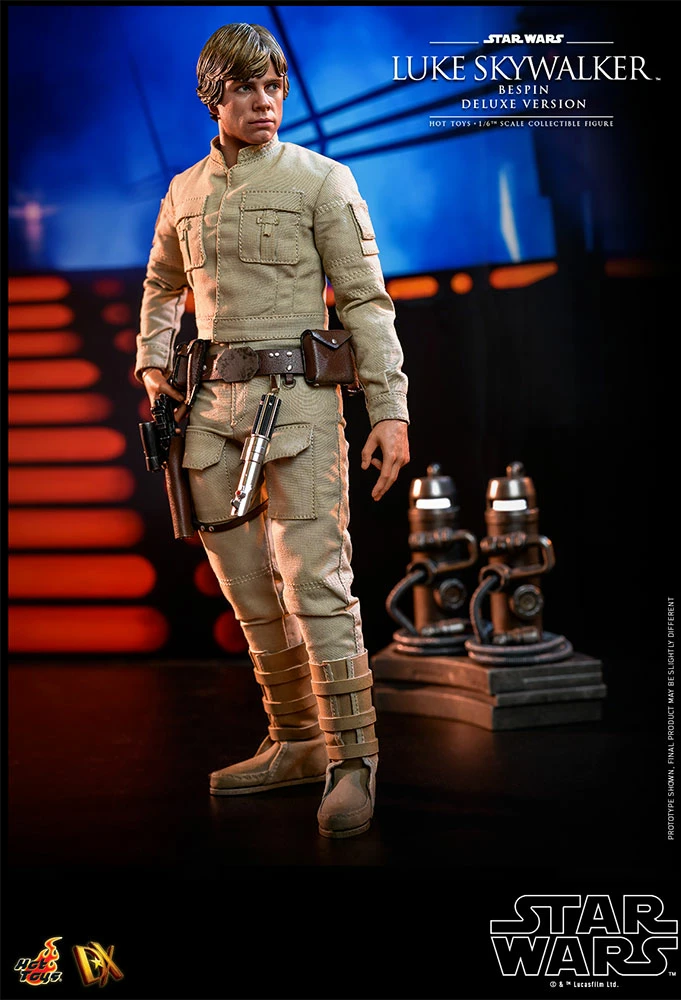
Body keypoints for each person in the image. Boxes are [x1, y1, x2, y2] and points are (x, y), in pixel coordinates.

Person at [135, 22, 409, 838]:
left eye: (274, 87)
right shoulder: (184, 191)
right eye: (247, 88)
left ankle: (353, 759)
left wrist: (389, 410)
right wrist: (152, 363)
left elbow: (365, 303)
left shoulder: (321, 179)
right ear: (213, 95)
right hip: (210, 415)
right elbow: (160, 284)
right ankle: (296, 740)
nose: (265, 102)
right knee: (250, 592)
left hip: (299, 410)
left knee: (316, 584)